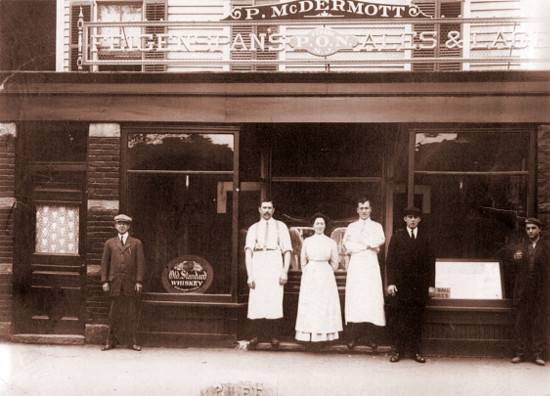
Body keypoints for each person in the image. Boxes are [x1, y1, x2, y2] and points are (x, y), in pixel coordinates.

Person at [386, 206, 435, 363]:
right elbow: (390, 262)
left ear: (419, 219)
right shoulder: (397, 237)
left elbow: (430, 263)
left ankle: (415, 352)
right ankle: (398, 351)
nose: (413, 219)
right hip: (402, 285)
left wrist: (431, 285)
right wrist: (391, 283)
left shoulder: (426, 238)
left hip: (419, 286)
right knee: (400, 319)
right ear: (405, 219)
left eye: (415, 217)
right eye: (409, 217)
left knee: (416, 320)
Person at [244, 199, 292, 350]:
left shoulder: (281, 226)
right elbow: (248, 252)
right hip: (258, 262)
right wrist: (250, 274)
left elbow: (288, 251)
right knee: (257, 299)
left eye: (269, 208)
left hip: (274, 262)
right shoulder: (253, 228)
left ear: (273, 209)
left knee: (274, 299)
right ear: (259, 209)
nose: (266, 210)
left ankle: (274, 336)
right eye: (264, 207)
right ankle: (256, 336)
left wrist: (284, 271)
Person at [295, 213, 343, 351]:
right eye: (317, 223)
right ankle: (308, 337)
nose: (320, 226)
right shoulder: (307, 241)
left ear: (325, 225)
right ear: (313, 225)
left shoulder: (331, 242)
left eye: (322, 223)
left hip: (325, 275)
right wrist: (309, 271)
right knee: (311, 305)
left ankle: (323, 338)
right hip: (311, 274)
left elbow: (335, 263)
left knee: (324, 305)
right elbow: (303, 261)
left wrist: (325, 271)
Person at [343, 198, 386, 351]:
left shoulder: (377, 226)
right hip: (356, 266)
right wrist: (368, 245)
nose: (364, 211)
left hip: (371, 266)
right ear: (357, 209)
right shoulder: (352, 226)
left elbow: (380, 240)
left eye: (366, 208)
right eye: (361, 208)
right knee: (356, 299)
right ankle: (353, 337)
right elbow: (347, 244)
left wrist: (363, 245)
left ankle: (371, 338)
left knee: (371, 300)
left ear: (371, 209)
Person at [100, 214, 146, 351]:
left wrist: (138, 281)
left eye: (124, 224)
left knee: (131, 314)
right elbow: (104, 264)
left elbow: (140, 264)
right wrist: (105, 281)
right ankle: (110, 342)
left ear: (128, 226)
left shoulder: (136, 243)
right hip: (114, 284)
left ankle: (132, 342)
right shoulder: (110, 243)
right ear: (115, 226)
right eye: (119, 224)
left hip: (129, 284)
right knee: (113, 314)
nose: (121, 226)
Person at [510, 217, 548, 366]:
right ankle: (519, 353)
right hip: (523, 292)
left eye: (533, 228)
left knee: (539, 323)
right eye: (528, 228)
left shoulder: (546, 248)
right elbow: (512, 270)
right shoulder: (520, 247)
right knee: (521, 322)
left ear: (539, 230)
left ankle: (538, 355)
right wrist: (515, 259)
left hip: (540, 292)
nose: (530, 231)